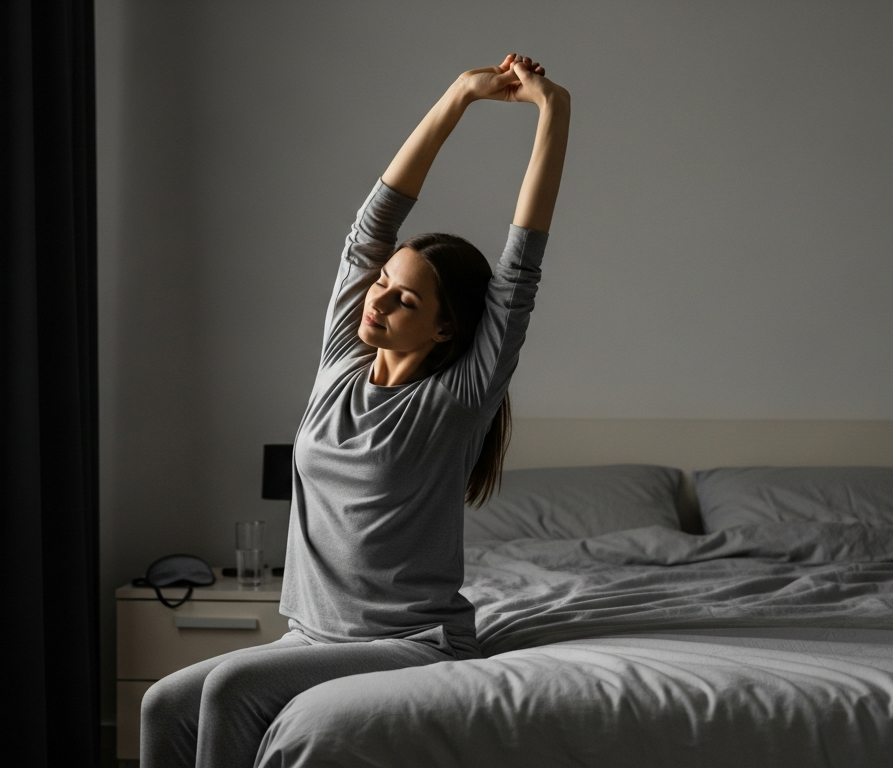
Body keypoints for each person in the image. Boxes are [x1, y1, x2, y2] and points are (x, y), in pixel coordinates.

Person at [141, 52, 571, 768]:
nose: (379, 297)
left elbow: (521, 264)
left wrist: (554, 113)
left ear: (444, 330)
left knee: (227, 693)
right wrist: (458, 98)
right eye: (383, 282)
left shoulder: (456, 399)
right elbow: (374, 222)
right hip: (308, 634)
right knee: (162, 703)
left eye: (406, 299)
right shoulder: (342, 357)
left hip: (407, 642)